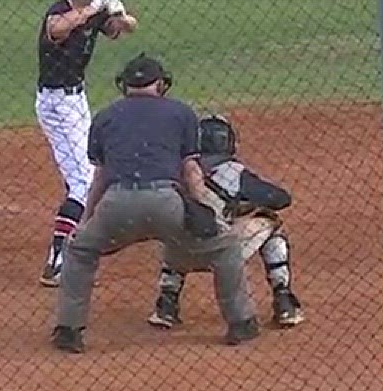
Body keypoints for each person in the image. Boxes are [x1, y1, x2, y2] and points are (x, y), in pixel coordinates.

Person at [50, 55, 259, 353]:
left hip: (116, 206)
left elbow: (100, 177)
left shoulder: (106, 116)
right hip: (166, 204)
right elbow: (190, 171)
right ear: (160, 84)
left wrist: (85, 223)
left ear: (125, 85)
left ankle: (68, 330)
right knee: (225, 246)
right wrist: (207, 212)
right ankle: (241, 323)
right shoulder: (181, 113)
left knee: (81, 251)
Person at [35, 0, 136, 287]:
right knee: (84, 181)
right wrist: (94, 8)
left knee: (79, 173)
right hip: (56, 104)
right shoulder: (61, 12)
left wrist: (117, 11)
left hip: (77, 101)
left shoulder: (94, 11)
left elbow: (124, 29)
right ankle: (58, 260)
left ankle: (76, 229)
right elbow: (59, 30)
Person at [148, 114, 304, 330]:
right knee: (271, 222)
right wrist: (246, 205)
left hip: (178, 255)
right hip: (223, 254)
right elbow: (280, 199)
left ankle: (166, 304)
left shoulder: (174, 170)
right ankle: (283, 300)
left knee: (175, 224)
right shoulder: (235, 173)